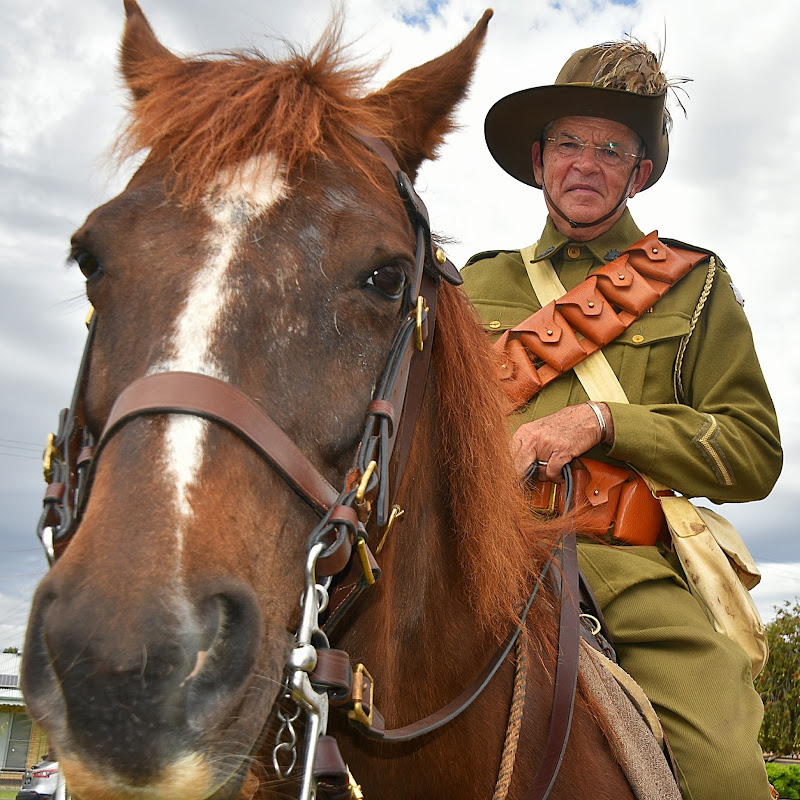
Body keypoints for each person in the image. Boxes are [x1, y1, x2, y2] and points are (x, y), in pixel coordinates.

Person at [460, 41, 782, 800]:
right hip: (471, 550)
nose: (586, 163)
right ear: (539, 160)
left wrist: (604, 422)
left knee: (726, 774)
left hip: (623, 570)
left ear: (638, 172)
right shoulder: (471, 284)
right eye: (569, 142)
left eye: (611, 148)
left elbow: (753, 451)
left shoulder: (693, 284)